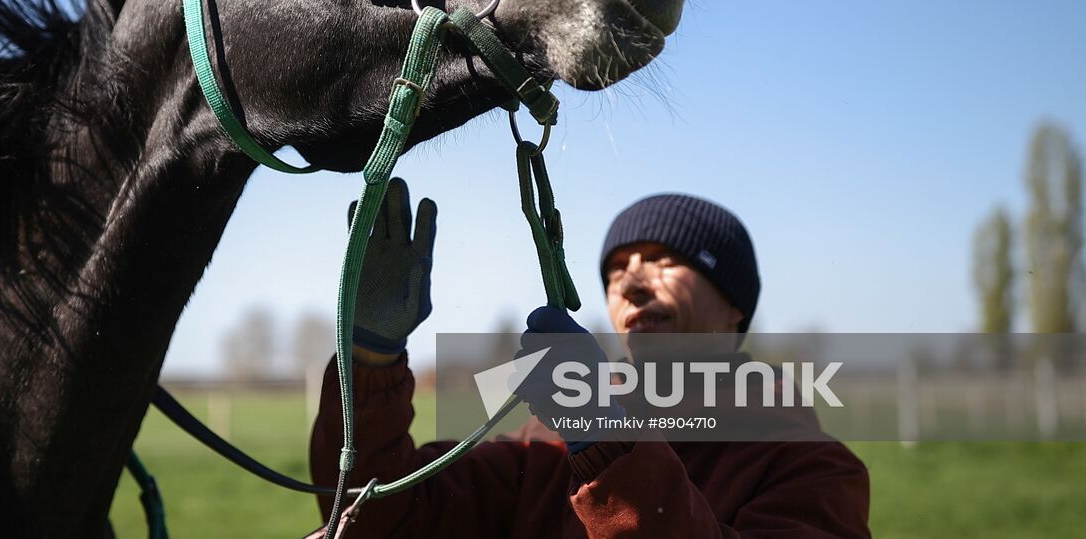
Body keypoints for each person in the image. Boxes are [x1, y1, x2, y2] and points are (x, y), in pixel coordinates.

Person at [310, 181, 871, 537]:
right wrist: (370, 358)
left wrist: (608, 442)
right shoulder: (546, 447)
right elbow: (384, 518)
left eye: (663, 260)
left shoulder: (810, 467)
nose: (631, 282)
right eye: (616, 270)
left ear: (734, 306)